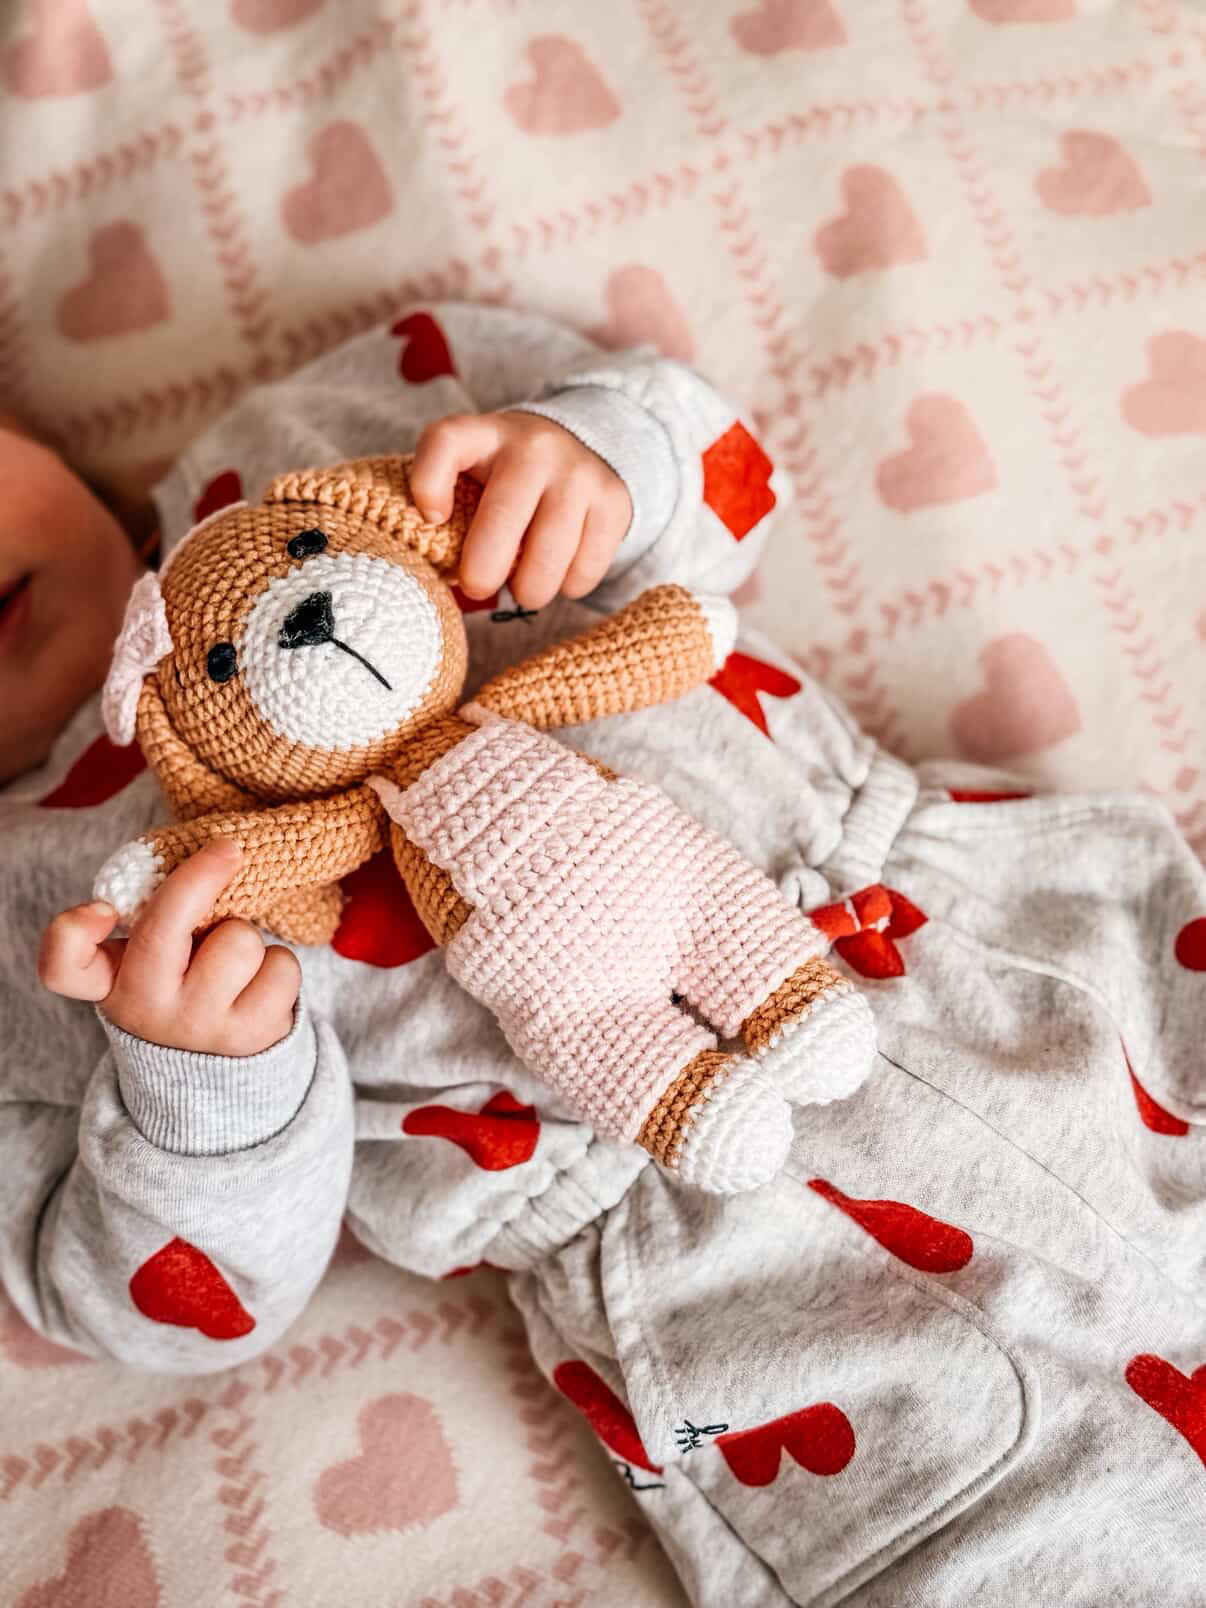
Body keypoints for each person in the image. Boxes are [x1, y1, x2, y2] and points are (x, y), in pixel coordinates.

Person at [6, 304, 1206, 1605]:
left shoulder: (338, 432)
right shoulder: (42, 918)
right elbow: (149, 1308)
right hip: (723, 1248)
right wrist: (204, 1091)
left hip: (976, 941)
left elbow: (729, 470)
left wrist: (599, 464)